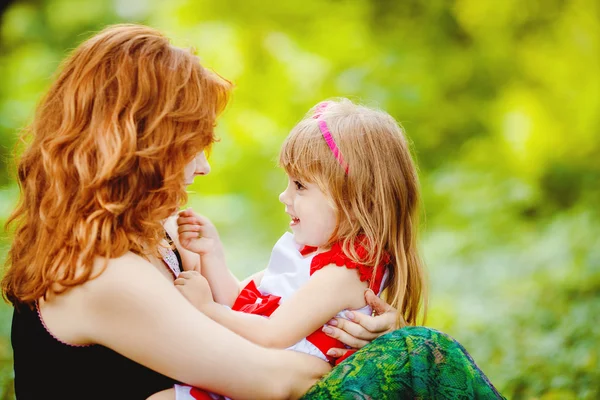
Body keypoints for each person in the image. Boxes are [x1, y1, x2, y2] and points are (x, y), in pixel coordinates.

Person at [2, 23, 341, 400]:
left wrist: (357, 320)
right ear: (141, 146)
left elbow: (254, 320)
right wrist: (373, 355)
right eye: (193, 145)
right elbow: (276, 382)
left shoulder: (162, 234)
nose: (203, 167)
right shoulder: (99, 272)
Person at [169, 99, 505, 400]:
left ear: (356, 200)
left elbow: (270, 334)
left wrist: (206, 307)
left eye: (300, 186)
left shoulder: (344, 271)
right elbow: (247, 309)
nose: (285, 197)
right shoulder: (312, 256)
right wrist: (212, 255)